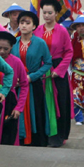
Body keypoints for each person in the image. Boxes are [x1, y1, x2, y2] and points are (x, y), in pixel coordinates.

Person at [10, 10, 53, 147]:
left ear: (34, 26)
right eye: (22, 22)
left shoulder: (40, 43)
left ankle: (36, 140)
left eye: (27, 23)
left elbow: (48, 63)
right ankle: (20, 138)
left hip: (33, 84)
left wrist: (32, 77)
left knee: (36, 112)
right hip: (17, 84)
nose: (24, 26)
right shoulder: (14, 42)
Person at [35, 0, 73, 147]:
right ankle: (43, 134)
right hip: (42, 69)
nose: (47, 16)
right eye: (44, 13)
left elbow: (69, 52)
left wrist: (59, 70)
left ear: (56, 13)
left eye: (50, 13)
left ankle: (59, 135)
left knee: (60, 102)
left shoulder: (62, 31)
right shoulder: (37, 30)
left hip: (58, 69)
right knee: (42, 102)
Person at [0, 31, 29, 145]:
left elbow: (24, 85)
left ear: (11, 48)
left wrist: (19, 108)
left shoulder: (16, 62)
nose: (2, 51)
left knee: (9, 134)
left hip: (9, 101)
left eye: (6, 49)